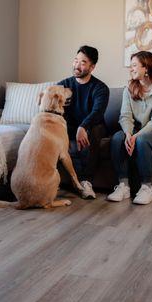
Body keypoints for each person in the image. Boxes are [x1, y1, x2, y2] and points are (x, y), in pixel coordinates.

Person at [107, 51, 152, 205]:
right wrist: (128, 134)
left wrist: (135, 137)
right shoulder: (129, 88)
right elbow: (125, 116)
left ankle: (146, 188)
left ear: (146, 68)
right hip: (137, 129)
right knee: (118, 137)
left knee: (142, 140)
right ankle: (123, 186)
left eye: (134, 66)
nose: (130, 69)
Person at [58, 46, 110, 199]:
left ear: (92, 67)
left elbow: (97, 113)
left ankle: (86, 181)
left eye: (83, 62)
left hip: (94, 126)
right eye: (76, 60)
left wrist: (83, 126)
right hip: (70, 127)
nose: (77, 65)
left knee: (92, 131)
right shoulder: (63, 85)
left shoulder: (100, 88)